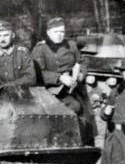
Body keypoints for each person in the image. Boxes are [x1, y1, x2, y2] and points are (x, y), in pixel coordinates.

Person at [31, 17, 97, 145]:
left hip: (75, 88)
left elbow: (82, 61)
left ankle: (86, 149)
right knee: (61, 121)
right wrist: (59, 77)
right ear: (48, 33)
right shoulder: (40, 49)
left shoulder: (71, 45)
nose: (60, 35)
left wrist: (81, 74)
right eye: (56, 32)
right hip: (52, 91)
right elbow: (38, 73)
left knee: (86, 121)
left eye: (62, 31)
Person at [0, 20, 36, 87]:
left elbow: (30, 79)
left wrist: (8, 86)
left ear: (12, 35)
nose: (2, 39)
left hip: (18, 93)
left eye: (6, 35)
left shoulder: (22, 54)